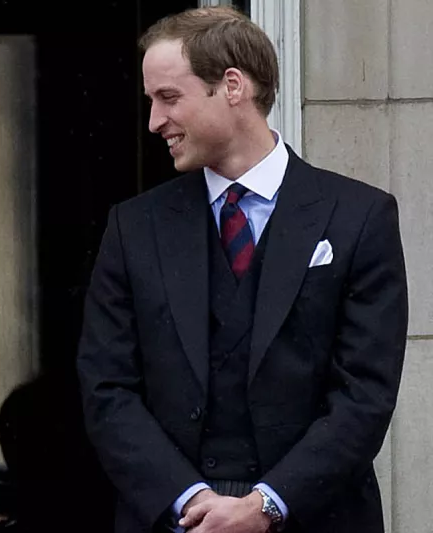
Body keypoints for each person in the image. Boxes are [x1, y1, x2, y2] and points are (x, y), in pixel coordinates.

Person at [77, 6, 408, 533]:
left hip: (316, 518)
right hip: (174, 521)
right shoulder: (133, 227)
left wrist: (267, 504)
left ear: (232, 86)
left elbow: (365, 394)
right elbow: (106, 388)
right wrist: (188, 500)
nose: (154, 122)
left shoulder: (359, 217)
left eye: (168, 98)